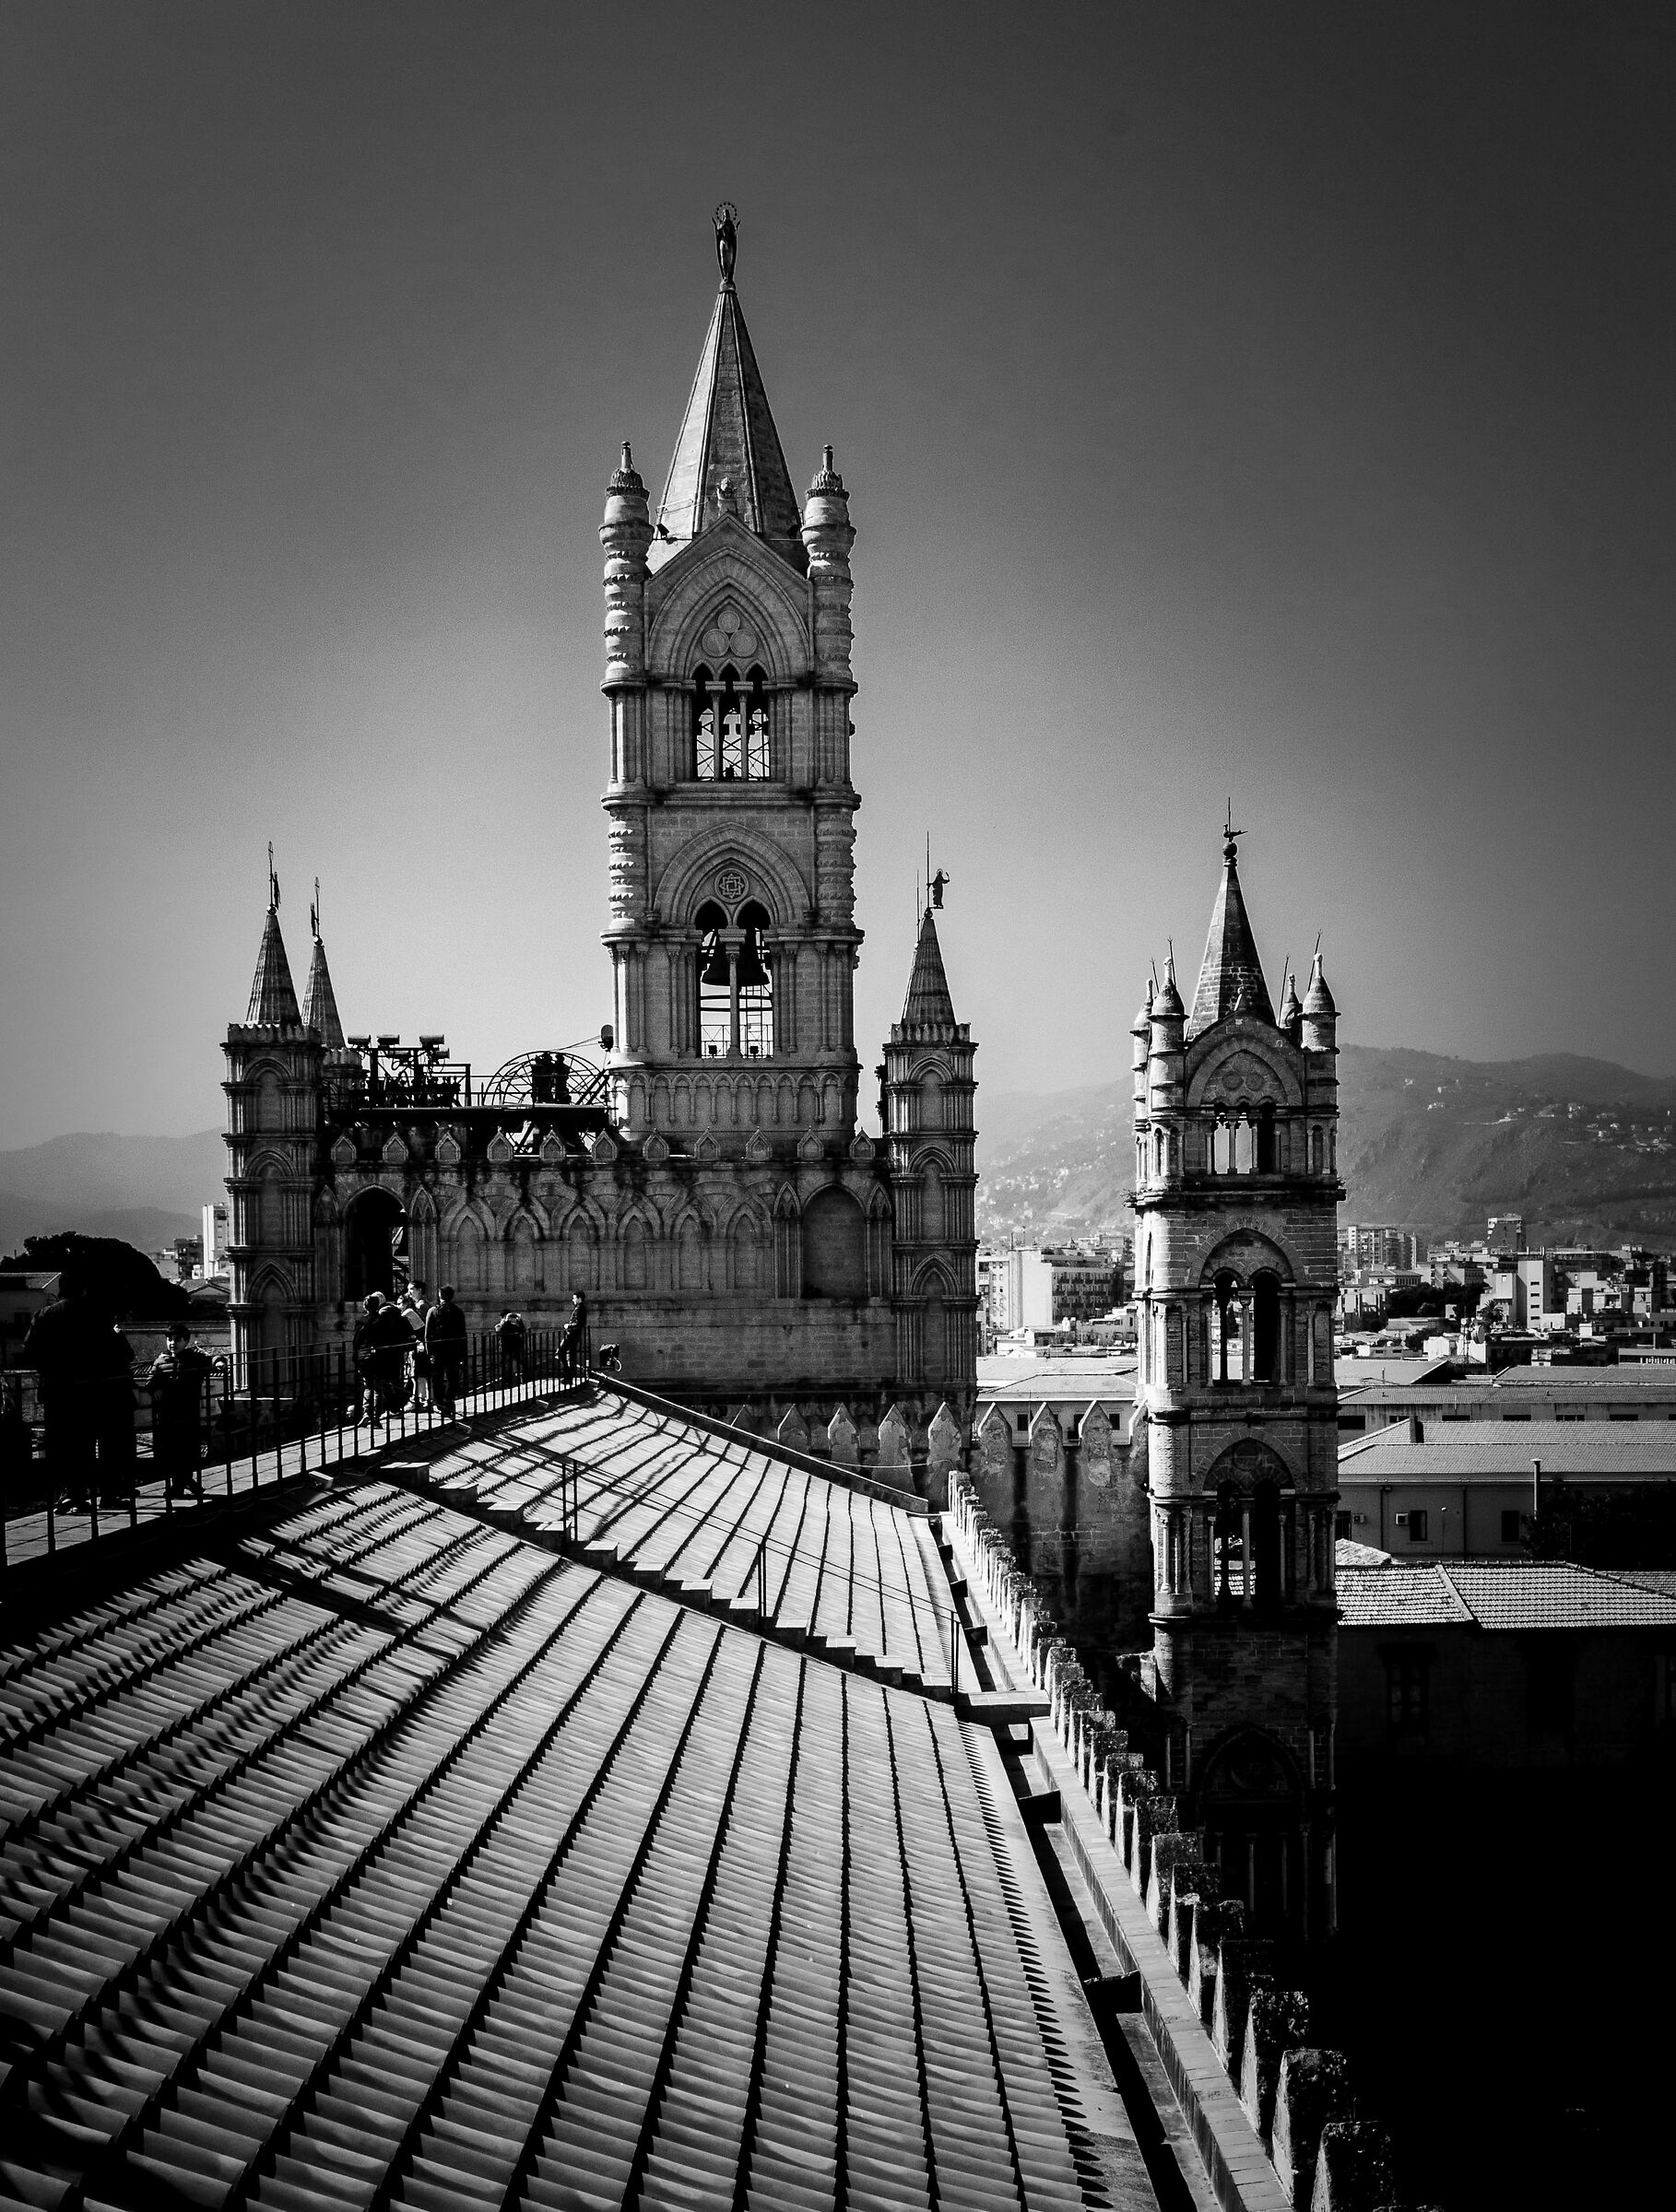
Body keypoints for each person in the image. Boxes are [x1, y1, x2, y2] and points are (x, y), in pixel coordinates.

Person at [23, 1274, 108, 1509]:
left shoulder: (44, 1315)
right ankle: (79, 1493)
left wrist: (48, 1368)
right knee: (85, 1444)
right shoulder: (94, 1316)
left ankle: (64, 1493)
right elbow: (107, 1351)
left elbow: (29, 1349)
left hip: (54, 1388)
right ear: (83, 1290)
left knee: (59, 1444)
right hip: (87, 1390)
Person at [148, 1322, 220, 1498]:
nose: (173, 1343)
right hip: (168, 1415)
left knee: (188, 1450)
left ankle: (182, 1483)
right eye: (169, 1340)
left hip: (188, 1413)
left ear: (186, 1341)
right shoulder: (160, 1361)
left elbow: (211, 1360)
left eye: (177, 1340)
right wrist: (155, 1389)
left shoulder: (194, 1359)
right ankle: (181, 1484)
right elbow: (150, 1381)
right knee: (172, 1450)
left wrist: (219, 1362)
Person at [425, 1284, 466, 1419]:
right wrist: (463, 1353)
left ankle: (439, 1402)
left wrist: (429, 1352)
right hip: (453, 1349)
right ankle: (449, 1401)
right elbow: (462, 1334)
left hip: (437, 1349)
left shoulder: (433, 1311)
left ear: (439, 1296)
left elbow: (427, 1334)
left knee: (437, 1377)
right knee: (452, 1377)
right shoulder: (458, 1311)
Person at [400, 1283, 431, 1407]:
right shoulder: (420, 1305)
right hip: (420, 1343)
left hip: (420, 1343)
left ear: (419, 1290)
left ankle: (419, 1399)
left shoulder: (421, 1306)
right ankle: (422, 1398)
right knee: (418, 1373)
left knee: (418, 1372)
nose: (410, 1292)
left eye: (412, 1289)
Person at [560, 1289, 589, 1378]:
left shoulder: (580, 1309)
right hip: (574, 1335)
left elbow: (580, 1323)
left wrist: (568, 1326)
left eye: (574, 1298)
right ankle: (570, 1375)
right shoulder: (580, 1308)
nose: (573, 1300)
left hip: (572, 1335)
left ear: (579, 1299)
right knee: (571, 1355)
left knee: (561, 1352)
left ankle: (568, 1373)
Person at [496, 1309, 527, 1384]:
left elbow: (523, 1330)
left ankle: (525, 1381)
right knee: (507, 1368)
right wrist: (506, 1321)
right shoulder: (499, 1326)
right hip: (506, 1349)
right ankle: (507, 1384)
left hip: (516, 1347)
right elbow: (501, 1331)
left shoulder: (514, 1326)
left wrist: (519, 1320)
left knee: (523, 1364)